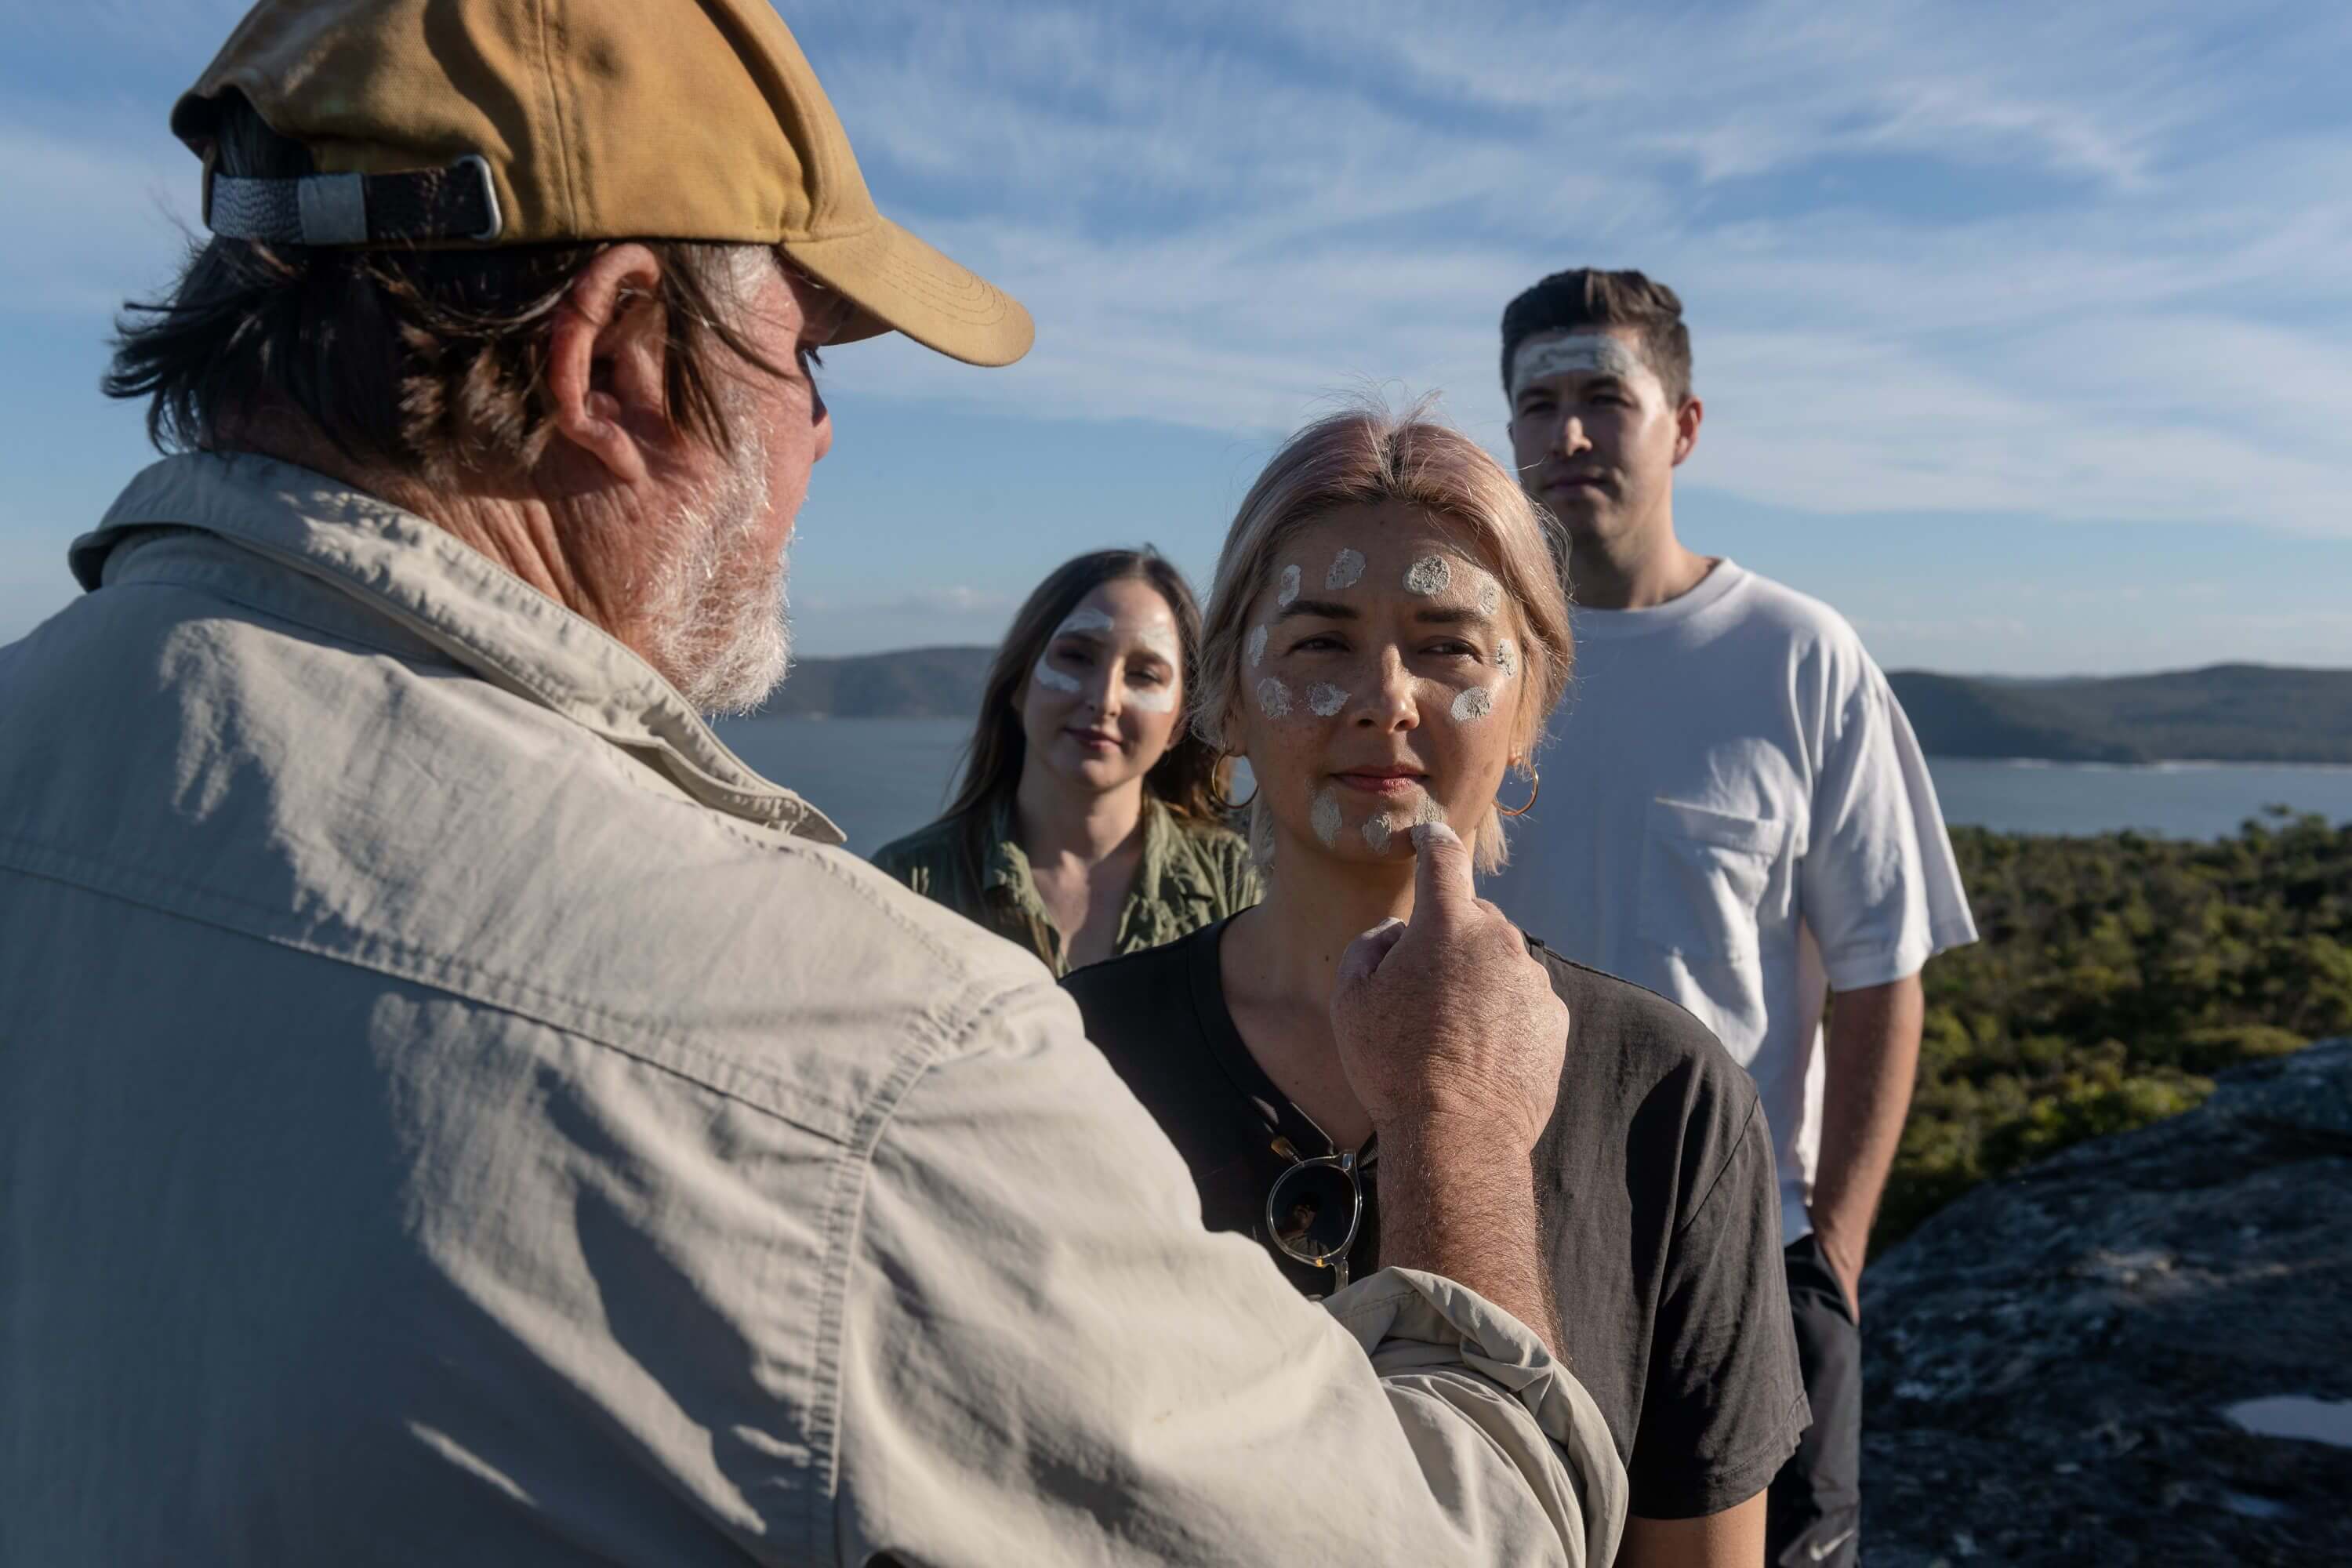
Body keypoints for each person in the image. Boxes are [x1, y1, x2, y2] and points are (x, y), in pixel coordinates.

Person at [0, 2, 1633, 1563]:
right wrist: (1461, 1130)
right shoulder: (847, 1058)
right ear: (617, 358)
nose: (825, 444)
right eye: (811, 365)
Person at [1065, 405, 1809, 1567]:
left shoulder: (1666, 1097)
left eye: (1450, 645)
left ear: (1529, 711)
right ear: (1226, 703)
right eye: (1318, 640)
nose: (1387, 697)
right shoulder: (1071, 1062)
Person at [1486, 267, 1980, 1568]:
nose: (1569, 435)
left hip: (1750, 1259)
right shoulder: (1466, 660)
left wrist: (1838, 1259)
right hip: (1495, 1249)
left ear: (1684, 426)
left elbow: (1881, 972)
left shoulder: (1796, 655)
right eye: (1539, 404)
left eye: (1606, 397)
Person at [873, 549, 1257, 973]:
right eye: (1077, 656)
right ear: (1019, 683)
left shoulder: (1236, 880)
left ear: (1180, 723)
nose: (1104, 700)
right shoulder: (906, 884)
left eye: (1145, 674)